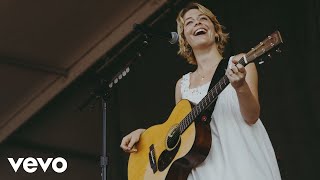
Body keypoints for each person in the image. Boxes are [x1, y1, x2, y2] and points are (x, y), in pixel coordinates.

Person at [120, 2, 282, 180]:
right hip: (204, 170)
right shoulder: (182, 85)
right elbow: (180, 135)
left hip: (242, 158)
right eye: (189, 22)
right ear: (184, 39)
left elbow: (252, 116)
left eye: (203, 19)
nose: (197, 23)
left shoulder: (240, 63)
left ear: (216, 30)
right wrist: (145, 136)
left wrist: (240, 87)